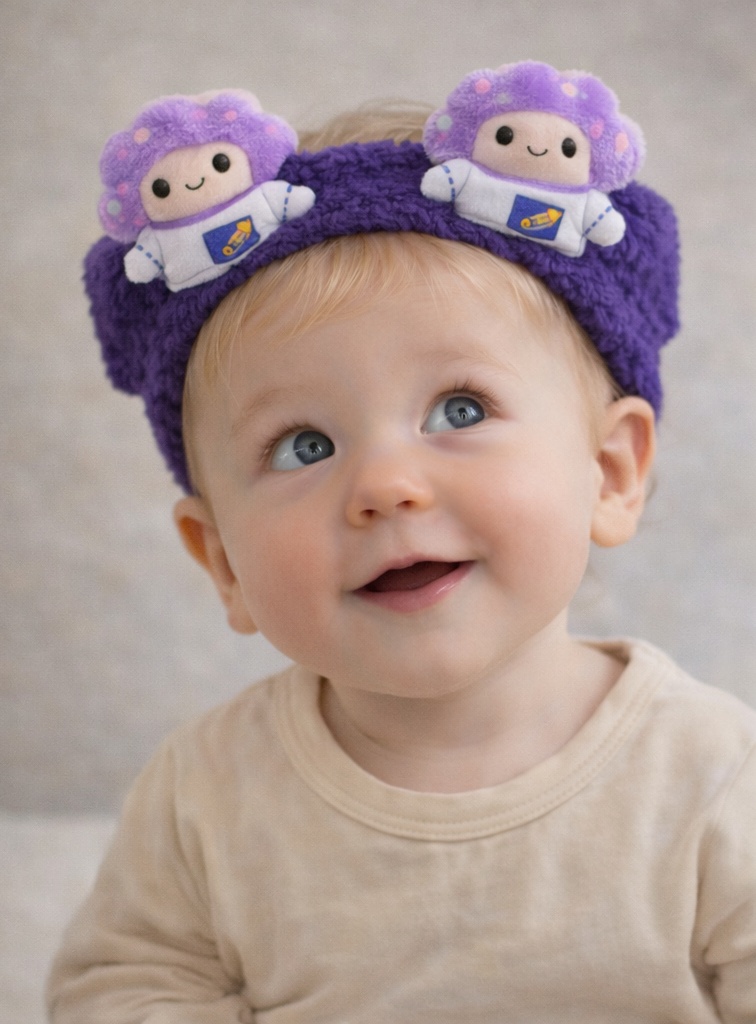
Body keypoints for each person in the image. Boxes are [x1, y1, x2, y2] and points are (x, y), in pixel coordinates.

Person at [47, 62, 756, 1023]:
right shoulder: (208, 794)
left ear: (612, 470)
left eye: (459, 408)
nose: (384, 486)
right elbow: (126, 986)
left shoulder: (713, 773)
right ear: (222, 561)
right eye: (304, 446)